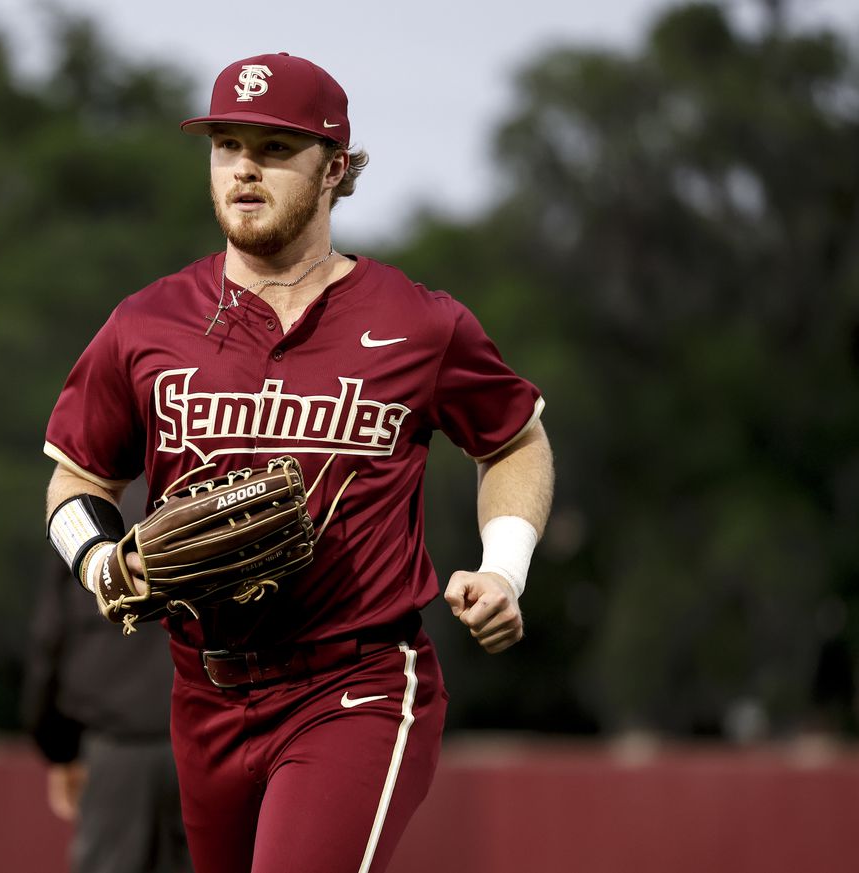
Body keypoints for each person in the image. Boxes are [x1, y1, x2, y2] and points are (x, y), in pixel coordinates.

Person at [40, 52, 554, 873]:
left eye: (275, 149)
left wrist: (505, 567)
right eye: (226, 146)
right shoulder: (146, 323)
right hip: (203, 690)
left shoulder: (418, 323)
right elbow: (77, 477)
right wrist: (100, 560)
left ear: (335, 169)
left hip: (355, 683)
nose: (245, 168)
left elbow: (515, 439)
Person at [22, 483, 192, 873]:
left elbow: (50, 640)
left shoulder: (83, 510)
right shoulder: (212, 478)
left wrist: (58, 748)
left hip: (115, 750)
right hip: (208, 739)